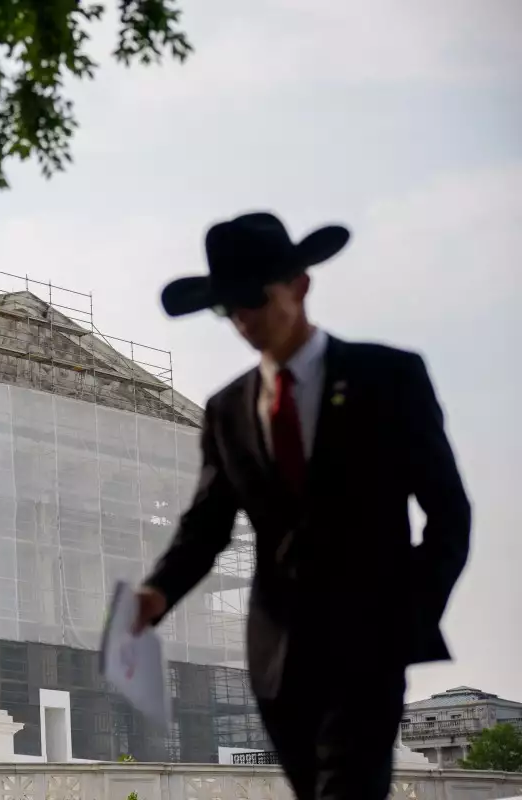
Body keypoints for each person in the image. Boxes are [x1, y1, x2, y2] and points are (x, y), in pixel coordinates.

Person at [133, 212, 471, 800]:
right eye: (227, 307)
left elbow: (448, 513)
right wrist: (156, 592)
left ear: (300, 285)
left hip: (369, 642)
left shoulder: (387, 377)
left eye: (253, 299)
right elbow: (206, 526)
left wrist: (408, 616)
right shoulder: (227, 410)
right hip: (277, 659)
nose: (242, 318)